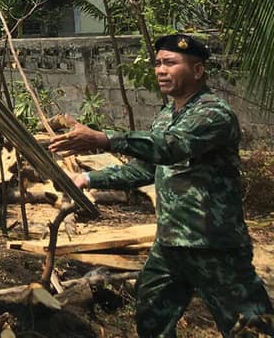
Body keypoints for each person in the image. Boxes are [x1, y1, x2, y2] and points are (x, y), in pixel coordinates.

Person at [49, 33, 273, 338]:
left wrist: (104, 139)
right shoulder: (167, 115)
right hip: (170, 245)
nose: (160, 70)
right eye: (157, 63)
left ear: (197, 70)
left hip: (214, 246)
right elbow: (148, 168)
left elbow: (170, 147)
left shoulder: (214, 113)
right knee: (152, 320)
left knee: (251, 327)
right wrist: (88, 178)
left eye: (170, 62)